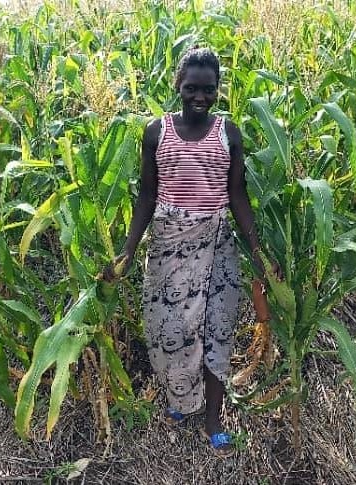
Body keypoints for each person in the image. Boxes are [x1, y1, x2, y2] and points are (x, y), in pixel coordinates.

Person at [104, 47, 273, 456]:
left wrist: (259, 254)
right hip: (168, 245)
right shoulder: (156, 131)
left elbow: (237, 195)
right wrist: (127, 250)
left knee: (217, 331)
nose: (200, 96)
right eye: (192, 88)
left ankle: (213, 418)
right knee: (172, 332)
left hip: (216, 246)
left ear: (217, 91)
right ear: (178, 86)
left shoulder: (228, 133)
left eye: (209, 90)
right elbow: (147, 195)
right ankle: (181, 401)